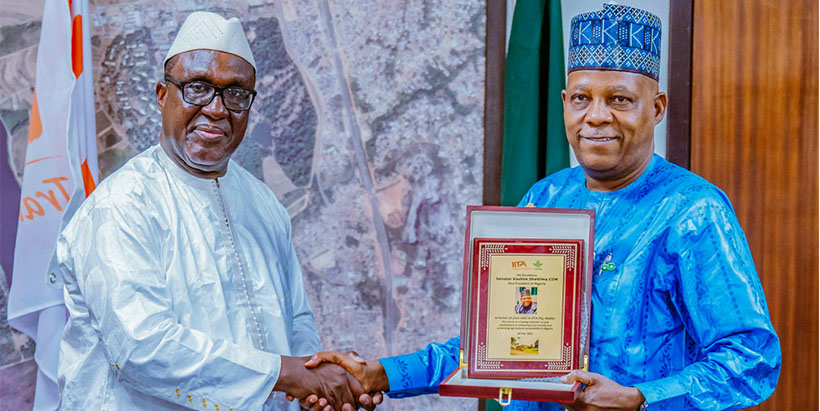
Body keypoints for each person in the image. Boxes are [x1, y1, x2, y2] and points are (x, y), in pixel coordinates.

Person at [304, 4, 781, 410]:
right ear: (564, 103)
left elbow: (752, 359)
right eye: (581, 98)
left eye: (619, 99)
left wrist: (639, 397)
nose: (596, 116)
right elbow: (496, 345)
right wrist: (381, 374)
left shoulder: (693, 211)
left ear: (655, 108)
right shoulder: (546, 198)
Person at [55, 12, 372, 411]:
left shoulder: (263, 203)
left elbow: (297, 322)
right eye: (198, 88)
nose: (218, 109)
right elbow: (142, 347)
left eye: (236, 93)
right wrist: (290, 374)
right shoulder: (121, 206)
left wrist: (311, 389)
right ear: (161, 96)